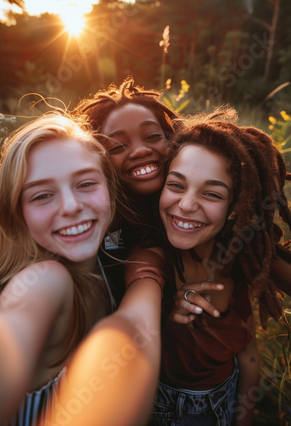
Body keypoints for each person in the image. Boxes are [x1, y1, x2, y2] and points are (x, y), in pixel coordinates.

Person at [124, 108, 291, 426]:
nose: (186, 205)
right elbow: (135, 307)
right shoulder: (151, 255)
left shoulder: (245, 250)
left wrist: (244, 417)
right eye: (176, 185)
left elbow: (247, 352)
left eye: (211, 193)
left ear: (236, 206)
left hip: (227, 402)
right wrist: (164, 308)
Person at [0, 113, 161, 426]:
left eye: (86, 183)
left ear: (110, 189)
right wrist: (150, 278)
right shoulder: (44, 281)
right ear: (18, 213)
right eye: (42, 195)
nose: (70, 206)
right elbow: (0, 350)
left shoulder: (105, 263)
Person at [74, 77, 224, 315]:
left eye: (153, 136)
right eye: (117, 146)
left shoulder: (207, 210)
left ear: (172, 138)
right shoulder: (96, 220)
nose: (141, 150)